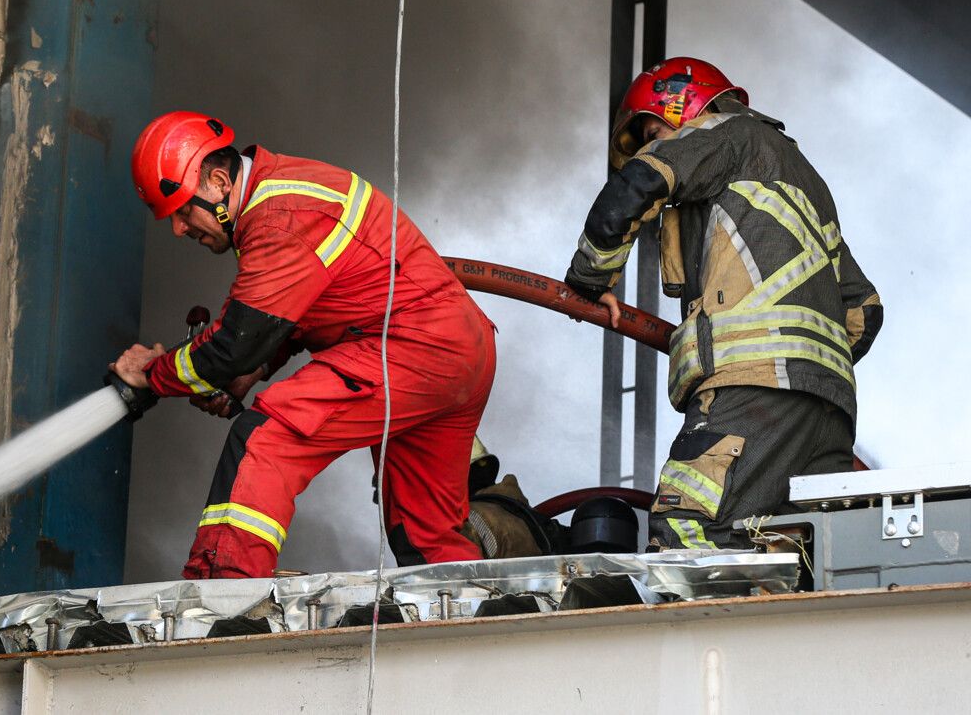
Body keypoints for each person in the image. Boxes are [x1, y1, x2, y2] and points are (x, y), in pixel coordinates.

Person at [111, 111, 497, 578]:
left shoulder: (278, 217)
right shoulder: (284, 190)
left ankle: (224, 591)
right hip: (458, 349)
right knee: (425, 533)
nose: (177, 229)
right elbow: (304, 310)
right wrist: (249, 373)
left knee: (265, 440)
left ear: (216, 181)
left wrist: (151, 374)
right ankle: (470, 622)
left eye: (181, 211)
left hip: (410, 347)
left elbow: (233, 344)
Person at [563, 57, 883, 550]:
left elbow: (640, 182)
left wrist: (589, 277)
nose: (652, 142)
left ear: (680, 104)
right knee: (797, 554)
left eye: (653, 129)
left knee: (686, 535)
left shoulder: (720, 133)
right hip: (829, 413)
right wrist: (804, 367)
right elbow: (864, 309)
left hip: (749, 390)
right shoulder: (805, 179)